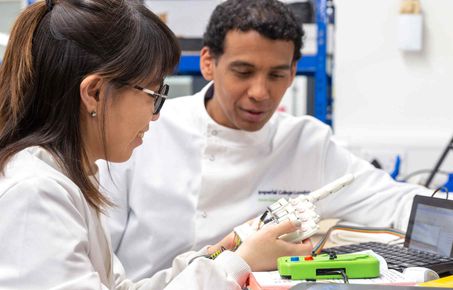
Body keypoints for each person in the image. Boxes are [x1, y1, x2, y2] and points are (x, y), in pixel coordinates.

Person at [99, 0, 431, 281]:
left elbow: (395, 201)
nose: (260, 93)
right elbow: (98, 259)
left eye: (276, 75)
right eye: (243, 72)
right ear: (208, 63)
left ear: (293, 71)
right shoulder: (145, 131)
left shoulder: (306, 142)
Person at [0, 0, 311, 289]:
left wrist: (213, 258)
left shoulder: (68, 178)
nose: (156, 115)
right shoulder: (34, 193)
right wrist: (237, 264)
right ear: (94, 93)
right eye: (154, 95)